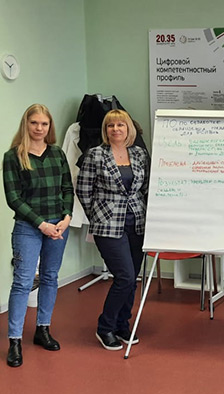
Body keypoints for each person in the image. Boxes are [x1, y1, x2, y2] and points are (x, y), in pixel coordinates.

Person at [2, 104, 74, 367]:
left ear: (49, 126)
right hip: (28, 227)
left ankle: (43, 328)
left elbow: (67, 188)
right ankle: (14, 340)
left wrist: (66, 217)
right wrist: (41, 224)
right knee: (22, 282)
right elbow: (13, 198)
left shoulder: (57, 153)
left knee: (50, 277)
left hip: (59, 226)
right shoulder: (14, 156)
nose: (39, 128)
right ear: (26, 124)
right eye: (34, 123)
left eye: (44, 124)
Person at [77, 109, 150, 351]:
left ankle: (122, 324)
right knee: (125, 276)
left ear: (129, 129)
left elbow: (145, 187)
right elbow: (83, 190)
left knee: (132, 279)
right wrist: (98, 215)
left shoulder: (139, 154)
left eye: (120, 125)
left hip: (137, 222)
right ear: (105, 130)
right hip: (107, 225)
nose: (116, 129)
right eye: (111, 126)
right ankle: (105, 327)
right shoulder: (95, 154)